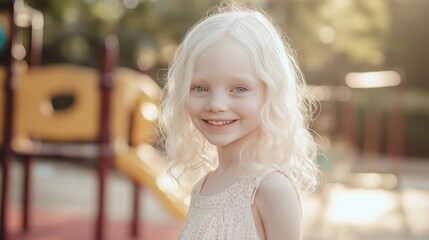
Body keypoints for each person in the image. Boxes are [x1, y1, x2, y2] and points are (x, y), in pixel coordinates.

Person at [158, 2, 319, 239]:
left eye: (239, 88)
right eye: (200, 87)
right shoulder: (202, 188)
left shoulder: (271, 189)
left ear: (269, 92)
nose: (216, 104)